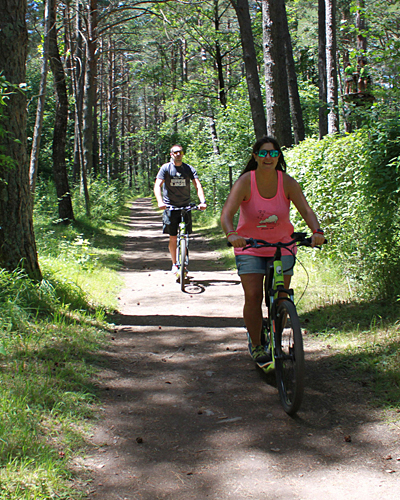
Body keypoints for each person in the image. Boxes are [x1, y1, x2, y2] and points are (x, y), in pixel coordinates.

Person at [220, 136, 325, 363]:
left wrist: (317, 231)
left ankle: (277, 337)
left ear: (278, 157)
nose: (269, 157)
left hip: (282, 246)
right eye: (264, 153)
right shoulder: (246, 182)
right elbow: (227, 214)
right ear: (255, 156)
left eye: (274, 153)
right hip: (250, 247)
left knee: (281, 296)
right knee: (254, 295)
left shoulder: (286, 182)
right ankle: (257, 344)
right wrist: (232, 234)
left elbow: (306, 210)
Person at [154, 144, 207, 273]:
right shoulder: (166, 168)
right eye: (176, 152)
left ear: (183, 154)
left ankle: (184, 261)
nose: (178, 154)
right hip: (170, 207)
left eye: (180, 152)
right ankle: (174, 264)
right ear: (171, 154)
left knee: (185, 235)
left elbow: (197, 185)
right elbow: (157, 186)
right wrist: (160, 202)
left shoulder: (188, 169)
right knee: (173, 237)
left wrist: (202, 202)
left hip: (185, 206)